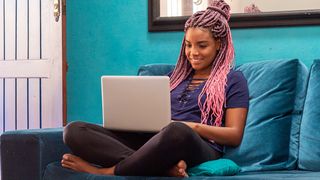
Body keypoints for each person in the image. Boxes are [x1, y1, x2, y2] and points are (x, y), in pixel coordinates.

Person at [61, 0, 249, 177]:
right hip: (156, 141)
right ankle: (160, 167)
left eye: (202, 46)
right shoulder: (173, 78)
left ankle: (109, 172)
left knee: (176, 131)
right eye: (188, 45)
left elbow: (234, 135)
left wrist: (191, 127)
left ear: (218, 44)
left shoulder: (233, 79)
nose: (193, 53)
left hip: (197, 145)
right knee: (75, 130)